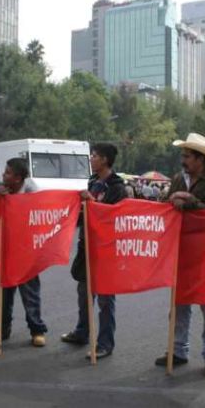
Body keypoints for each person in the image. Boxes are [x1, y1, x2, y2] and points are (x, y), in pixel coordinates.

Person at [155, 133, 205, 377]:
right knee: (179, 305)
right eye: (183, 155)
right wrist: (170, 199)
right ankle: (177, 351)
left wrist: (189, 200)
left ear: (201, 159)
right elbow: (166, 206)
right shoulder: (178, 179)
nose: (183, 160)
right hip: (181, 250)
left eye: (187, 156)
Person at [61, 143, 127, 360]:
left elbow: (113, 216)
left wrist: (91, 203)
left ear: (106, 160)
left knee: (106, 299)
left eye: (96, 155)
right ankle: (82, 332)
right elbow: (86, 214)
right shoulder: (92, 182)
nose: (91, 158)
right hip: (86, 245)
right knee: (84, 292)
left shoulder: (117, 187)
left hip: (107, 248)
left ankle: (105, 343)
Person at [0, 158, 48, 347]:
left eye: (8, 173)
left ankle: (37, 330)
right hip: (5, 248)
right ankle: (1, 328)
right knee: (3, 291)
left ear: (19, 178)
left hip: (27, 251)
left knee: (30, 293)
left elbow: (40, 216)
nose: (4, 175)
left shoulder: (32, 191)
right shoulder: (0, 189)